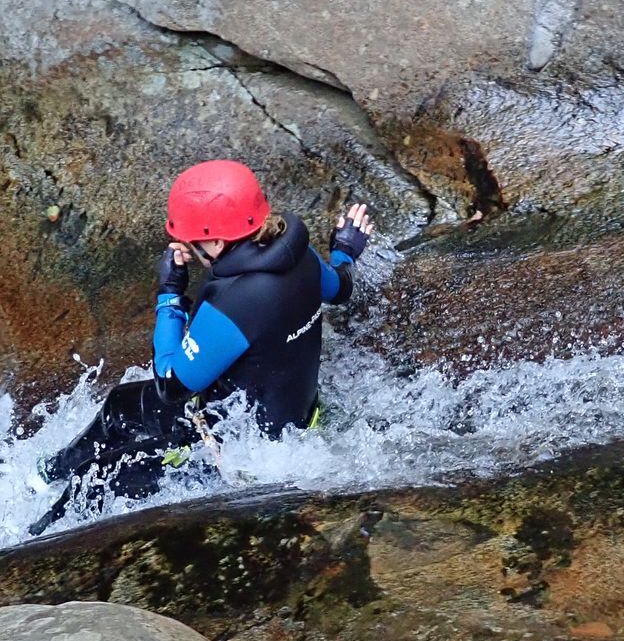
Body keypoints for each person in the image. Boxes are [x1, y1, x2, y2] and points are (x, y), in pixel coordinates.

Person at [27, 159, 374, 532]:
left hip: (238, 451)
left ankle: (24, 541)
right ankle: (45, 476)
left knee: (99, 474)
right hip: (289, 419)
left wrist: (170, 296)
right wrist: (344, 251)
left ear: (216, 241)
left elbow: (171, 384)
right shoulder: (300, 256)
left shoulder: (236, 303)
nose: (185, 246)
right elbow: (341, 287)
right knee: (120, 405)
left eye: (191, 240)